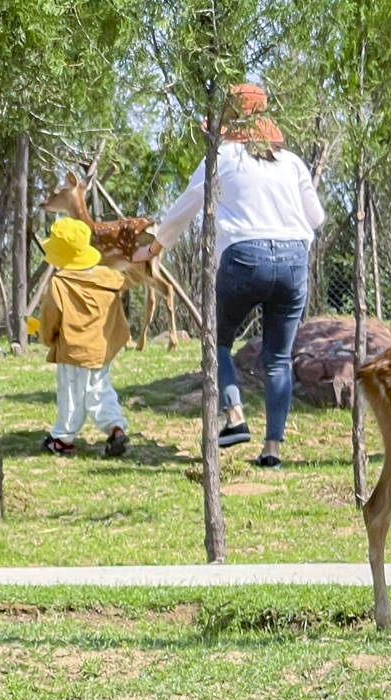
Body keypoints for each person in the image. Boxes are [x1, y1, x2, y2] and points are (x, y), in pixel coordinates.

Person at [136, 84, 324, 468]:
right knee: (278, 358)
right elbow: (317, 218)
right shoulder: (290, 162)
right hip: (293, 259)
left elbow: (184, 209)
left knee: (216, 341)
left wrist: (153, 248)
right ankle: (272, 450)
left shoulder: (219, 157)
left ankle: (234, 416)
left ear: (228, 121)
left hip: (243, 257)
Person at [31, 217, 132, 458]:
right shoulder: (109, 280)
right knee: (100, 390)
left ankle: (62, 439)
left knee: (71, 395)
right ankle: (116, 428)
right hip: (100, 349)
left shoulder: (60, 284)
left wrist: (47, 337)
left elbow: (51, 318)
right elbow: (116, 316)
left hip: (73, 351)